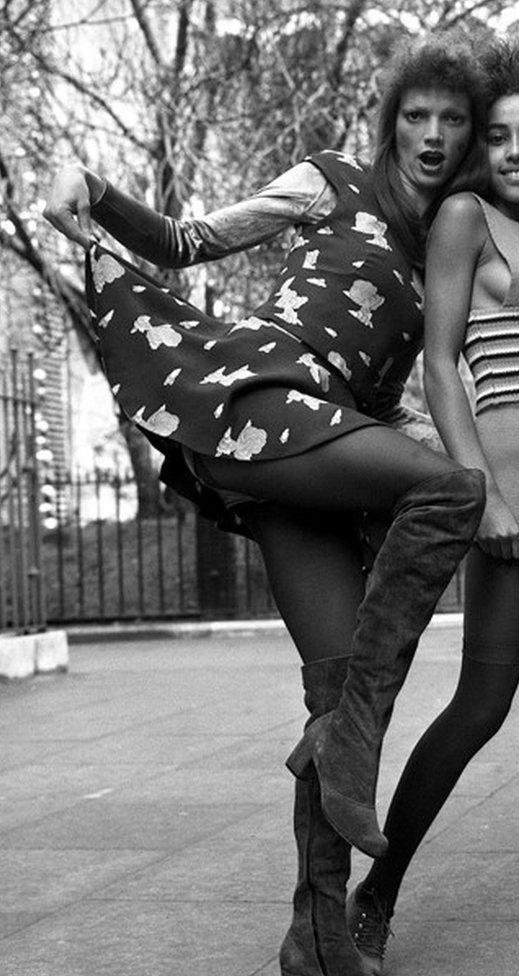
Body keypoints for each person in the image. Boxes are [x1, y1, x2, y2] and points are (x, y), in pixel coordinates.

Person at [43, 35, 490, 976]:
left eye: (453, 120)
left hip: (312, 459)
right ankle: (357, 734)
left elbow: (384, 395)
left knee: (330, 688)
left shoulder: (447, 246)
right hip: (259, 398)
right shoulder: (330, 182)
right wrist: (95, 186)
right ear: (391, 122)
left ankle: (316, 936)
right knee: (453, 487)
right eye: (417, 115)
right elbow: (187, 241)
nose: (433, 134)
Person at [345, 38, 519, 976]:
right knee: (484, 702)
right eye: (496, 135)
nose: (514, 152)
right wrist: (479, 490)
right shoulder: (466, 218)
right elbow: (440, 360)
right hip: (514, 485)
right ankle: (375, 894)